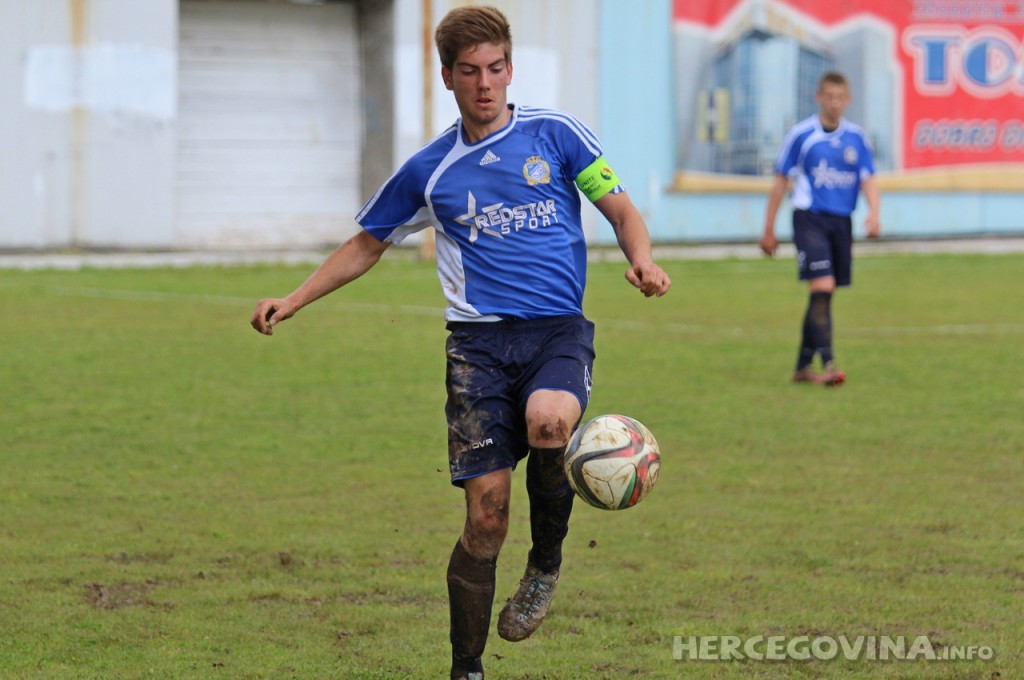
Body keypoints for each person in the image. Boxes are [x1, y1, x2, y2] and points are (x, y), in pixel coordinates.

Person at [250, 6, 671, 679]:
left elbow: (618, 206)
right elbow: (367, 244)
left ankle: (545, 563)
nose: (485, 83)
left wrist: (642, 259)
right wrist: (293, 299)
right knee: (486, 518)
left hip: (556, 332)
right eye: (470, 71)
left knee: (550, 421)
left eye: (496, 68)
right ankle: (466, 667)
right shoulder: (431, 170)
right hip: (476, 350)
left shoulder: (556, 136)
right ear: (447, 77)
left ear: (510, 68)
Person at [759, 70, 881, 387]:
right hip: (809, 218)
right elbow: (780, 182)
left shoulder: (857, 138)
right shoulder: (802, 135)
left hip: (841, 222)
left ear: (848, 99)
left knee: (823, 294)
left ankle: (802, 367)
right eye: (829, 96)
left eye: (840, 97)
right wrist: (768, 228)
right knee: (823, 287)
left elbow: (868, 177)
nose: (834, 103)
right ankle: (829, 363)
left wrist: (875, 213)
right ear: (818, 97)